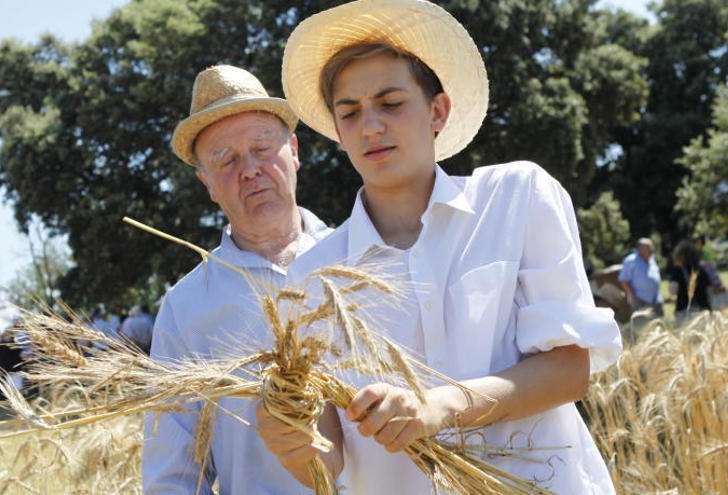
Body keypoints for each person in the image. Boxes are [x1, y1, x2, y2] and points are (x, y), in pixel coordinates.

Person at [272, 1, 623, 492]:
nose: (370, 126)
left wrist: (438, 406)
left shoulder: (517, 197)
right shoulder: (309, 279)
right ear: (336, 131)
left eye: (391, 103)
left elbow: (569, 370)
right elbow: (326, 462)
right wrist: (292, 442)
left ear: (437, 110)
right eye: (349, 113)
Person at [142, 64, 334, 494]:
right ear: (206, 182)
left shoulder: (366, 258)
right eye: (225, 160)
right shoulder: (185, 308)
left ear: (295, 151)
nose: (249, 169)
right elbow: (172, 476)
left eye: (262, 148)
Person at [618, 238, 664, 316]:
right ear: (640, 249)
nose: (651, 251)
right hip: (639, 300)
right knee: (641, 325)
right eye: (649, 249)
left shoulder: (651, 259)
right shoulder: (630, 260)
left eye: (651, 249)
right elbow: (623, 280)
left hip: (655, 300)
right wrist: (633, 295)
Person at [668, 240, 712, 315]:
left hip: (685, 310)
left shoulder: (678, 270)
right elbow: (709, 290)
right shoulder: (701, 269)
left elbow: (673, 290)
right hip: (704, 311)